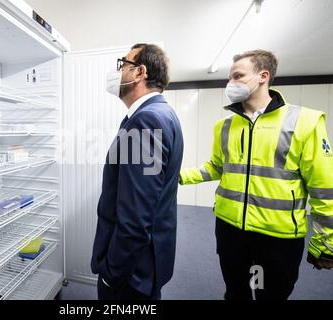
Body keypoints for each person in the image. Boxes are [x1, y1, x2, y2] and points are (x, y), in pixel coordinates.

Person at [179, 49, 333, 300]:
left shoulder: (305, 121)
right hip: (230, 231)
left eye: (237, 76)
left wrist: (327, 242)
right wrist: (178, 176)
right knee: (236, 293)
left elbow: (323, 188)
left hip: (277, 238)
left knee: (268, 296)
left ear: (263, 76)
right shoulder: (225, 125)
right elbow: (217, 167)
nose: (230, 83)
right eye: (229, 78)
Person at [91, 43, 184, 300]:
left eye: (123, 64)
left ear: (139, 72)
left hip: (132, 274)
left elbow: (135, 218)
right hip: (147, 263)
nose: (118, 71)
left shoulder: (147, 120)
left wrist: (112, 275)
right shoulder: (159, 113)